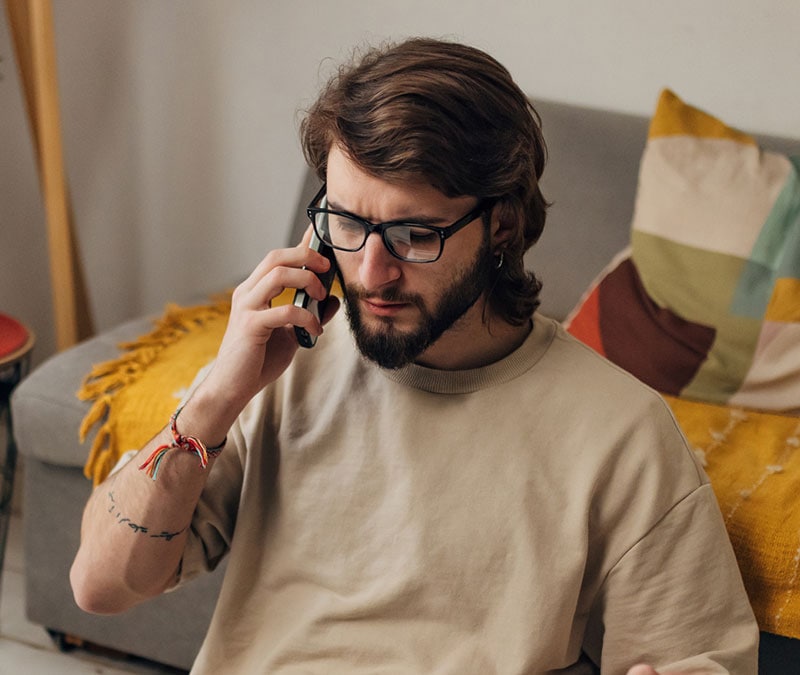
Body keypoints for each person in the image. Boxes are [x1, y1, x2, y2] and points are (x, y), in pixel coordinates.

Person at [70, 38, 759, 674]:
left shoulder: (622, 431)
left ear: (503, 224)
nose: (371, 269)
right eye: (346, 222)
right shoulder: (278, 374)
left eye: (412, 233)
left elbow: (700, 656)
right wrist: (216, 396)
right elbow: (100, 586)